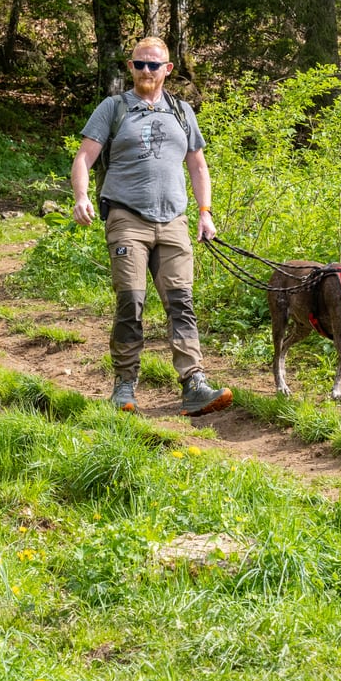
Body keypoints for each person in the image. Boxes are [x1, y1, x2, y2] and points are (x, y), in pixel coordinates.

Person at [71, 37, 233, 417]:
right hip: (127, 217)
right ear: (130, 67)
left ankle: (194, 383)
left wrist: (205, 212)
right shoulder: (113, 108)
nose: (147, 71)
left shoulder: (182, 111)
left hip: (174, 220)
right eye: (140, 64)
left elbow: (197, 165)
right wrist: (82, 197)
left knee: (182, 302)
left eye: (154, 65)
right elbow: (84, 158)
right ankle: (124, 387)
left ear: (168, 70)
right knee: (132, 301)